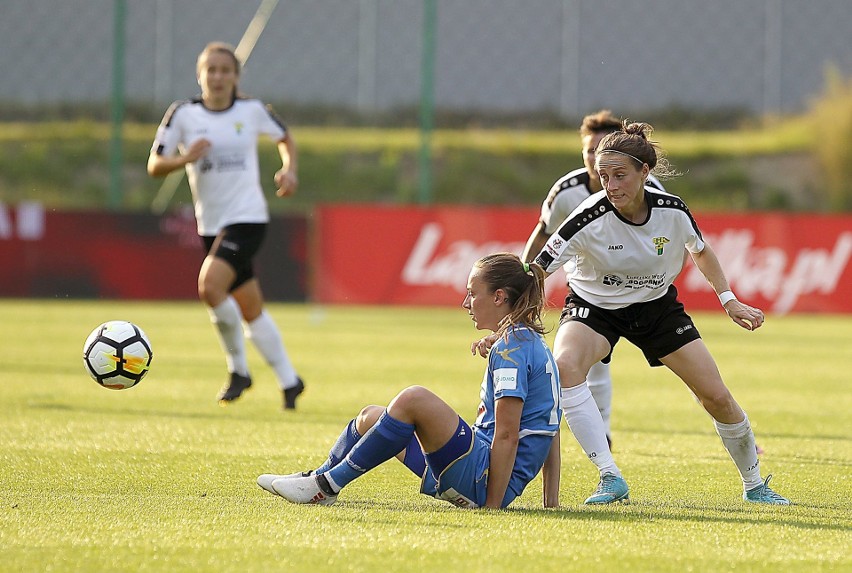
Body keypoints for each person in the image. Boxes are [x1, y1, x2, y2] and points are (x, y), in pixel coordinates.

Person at [520, 120, 789, 505]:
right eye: (603, 176)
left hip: (657, 307)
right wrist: (512, 322)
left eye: (620, 176)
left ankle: (755, 485)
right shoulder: (585, 217)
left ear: (645, 173)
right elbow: (538, 270)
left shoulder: (671, 210)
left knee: (716, 396)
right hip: (593, 307)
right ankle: (610, 477)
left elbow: (700, 250)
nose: (610, 186)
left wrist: (728, 298)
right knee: (565, 368)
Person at [257, 253, 562, 509]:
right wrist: (552, 503)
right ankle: (317, 481)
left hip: (482, 477)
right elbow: (551, 429)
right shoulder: (531, 345)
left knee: (413, 398)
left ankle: (327, 486)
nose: (465, 303)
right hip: (478, 472)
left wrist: (492, 507)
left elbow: (507, 435)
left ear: (499, 297)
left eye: (472, 292)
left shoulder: (512, 352)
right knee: (371, 417)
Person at [147, 42, 305, 410]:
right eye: (211, 70)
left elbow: (285, 138)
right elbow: (155, 165)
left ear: (236, 76)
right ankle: (290, 380)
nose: (217, 77)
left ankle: (239, 370)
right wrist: (186, 157)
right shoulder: (183, 114)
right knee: (250, 308)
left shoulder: (251, 110)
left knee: (209, 286)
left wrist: (290, 169)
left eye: (225, 70)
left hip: (247, 218)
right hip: (211, 224)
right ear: (199, 75)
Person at [521, 109, 667, 449]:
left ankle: (725, 418)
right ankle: (603, 437)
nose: (595, 157)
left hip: (642, 287)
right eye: (590, 150)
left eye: (603, 149)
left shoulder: (652, 191)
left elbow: (675, 235)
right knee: (593, 364)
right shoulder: (567, 191)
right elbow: (543, 234)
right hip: (589, 286)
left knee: (686, 363)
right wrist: (524, 281)